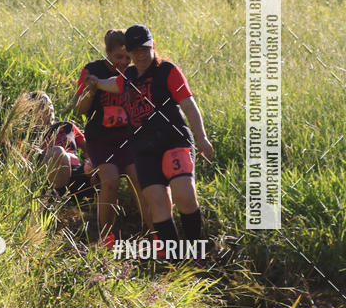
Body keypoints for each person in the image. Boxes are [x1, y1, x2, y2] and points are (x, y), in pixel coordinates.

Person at [84, 24, 213, 266]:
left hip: (174, 141)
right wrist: (96, 81)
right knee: (158, 204)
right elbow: (113, 83)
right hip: (143, 149)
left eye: (145, 49)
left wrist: (202, 137)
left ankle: (198, 253)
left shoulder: (168, 71)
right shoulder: (129, 76)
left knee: (184, 195)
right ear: (129, 53)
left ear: (152, 46)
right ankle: (175, 264)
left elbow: (188, 106)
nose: (141, 55)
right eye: (135, 51)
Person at [74, 29, 143, 243]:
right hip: (100, 140)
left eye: (128, 58)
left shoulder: (136, 72)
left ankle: (154, 233)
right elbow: (80, 109)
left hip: (128, 140)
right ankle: (106, 238)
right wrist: (91, 90)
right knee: (111, 181)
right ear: (107, 53)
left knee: (141, 181)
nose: (124, 62)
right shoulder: (92, 70)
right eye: (118, 57)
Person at [14, 91, 94, 197]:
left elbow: (88, 148)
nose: (50, 109)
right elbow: (24, 165)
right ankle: (56, 199)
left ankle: (96, 205)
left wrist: (90, 161)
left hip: (77, 174)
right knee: (58, 152)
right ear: (31, 112)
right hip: (48, 181)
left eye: (50, 104)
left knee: (100, 158)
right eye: (43, 106)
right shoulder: (27, 136)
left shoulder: (67, 126)